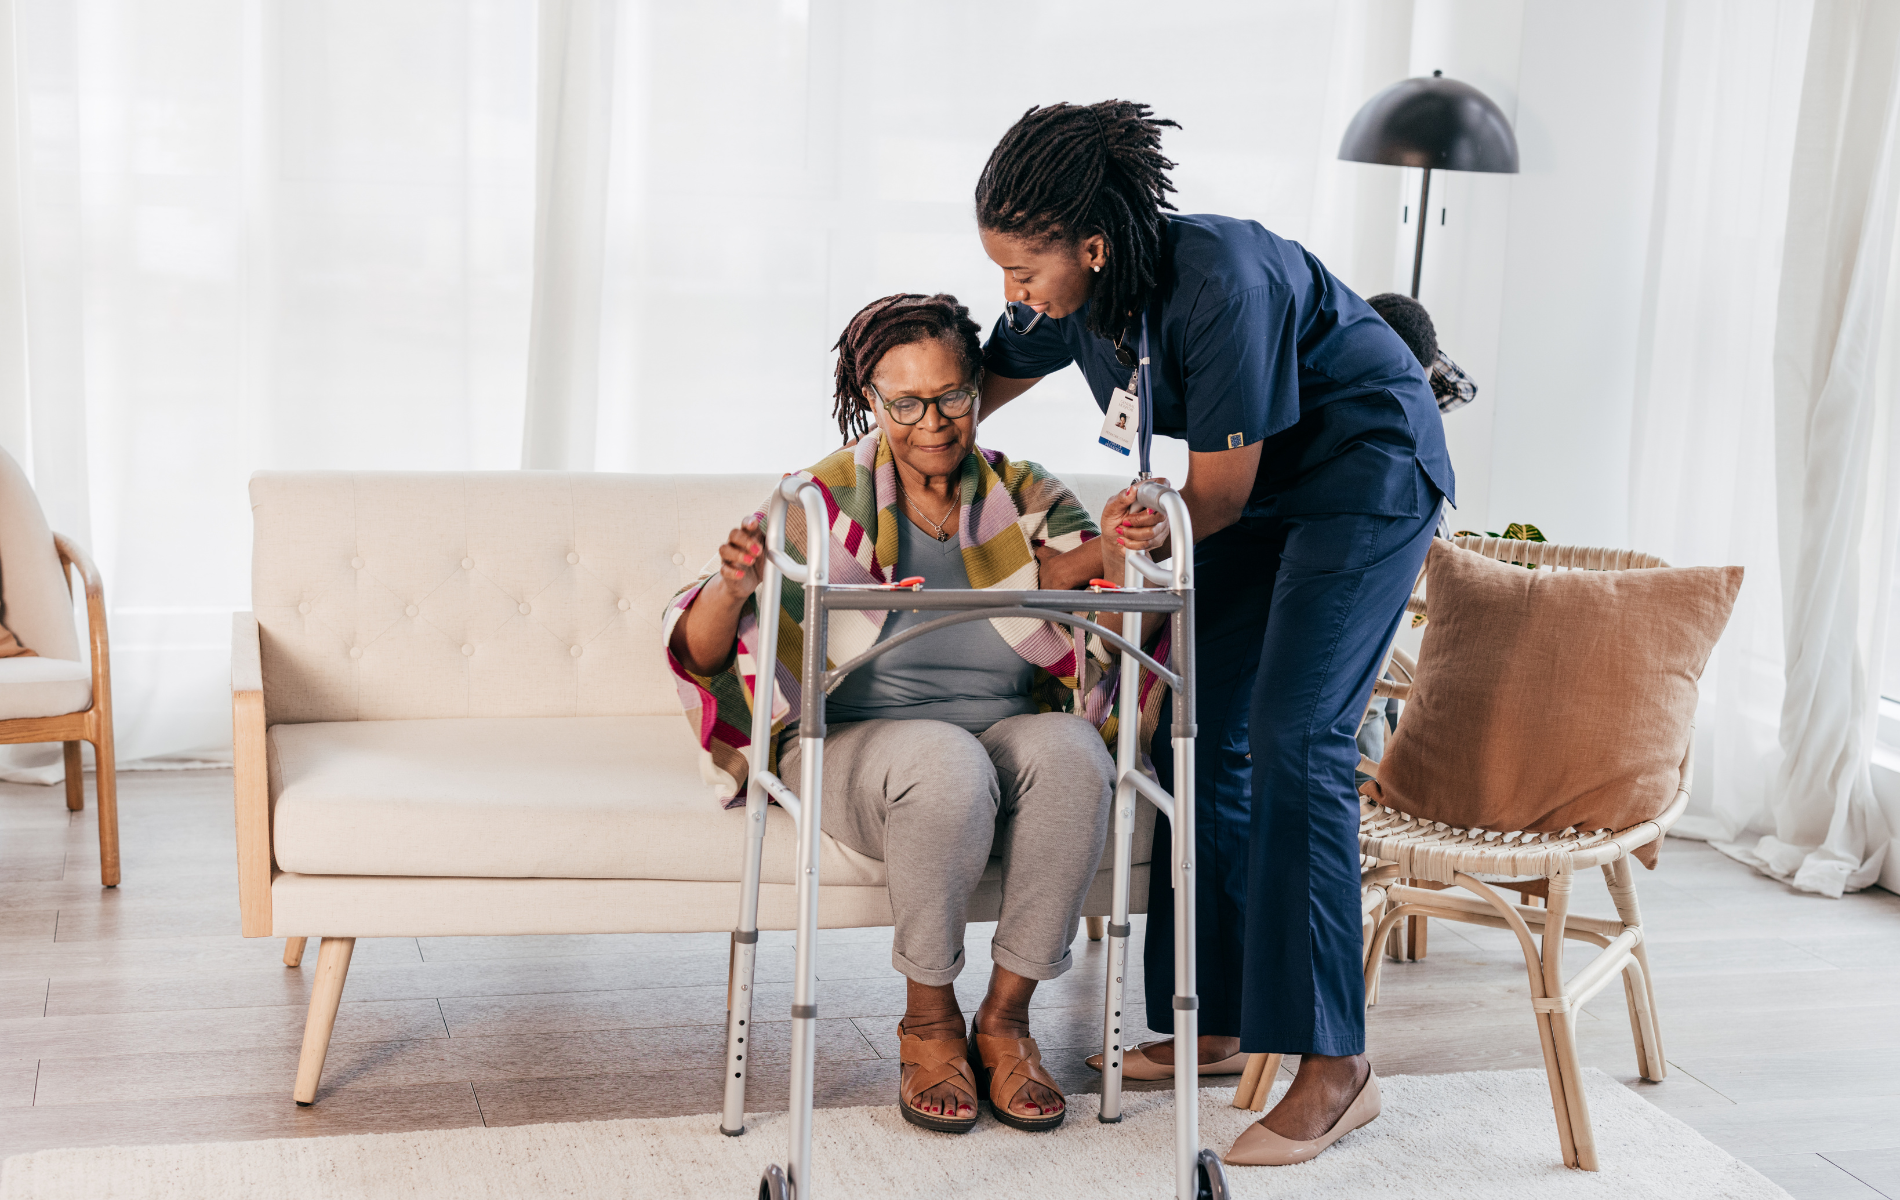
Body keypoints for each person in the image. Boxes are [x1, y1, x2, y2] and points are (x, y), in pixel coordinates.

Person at [972, 101, 1453, 1166]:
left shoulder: (1219, 280)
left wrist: (1121, 537)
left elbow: (1217, 496)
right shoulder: (1067, 287)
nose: (1014, 296)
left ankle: (1338, 1066)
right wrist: (886, 435)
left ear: (1091, 246)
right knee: (1185, 728)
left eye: (1023, 272)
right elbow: (973, 388)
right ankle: (1224, 1020)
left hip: (1361, 473)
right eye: (1000, 271)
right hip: (1255, 491)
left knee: (1296, 737)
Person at [663, 293, 1160, 1136]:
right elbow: (706, 654)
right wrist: (734, 586)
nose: (932, 421)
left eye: (952, 395)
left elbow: (1103, 647)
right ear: (871, 401)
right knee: (942, 759)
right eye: (905, 403)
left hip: (1006, 725)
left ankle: (1004, 1020)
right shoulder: (817, 504)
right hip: (855, 742)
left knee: (1076, 752)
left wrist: (1110, 559)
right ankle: (929, 1023)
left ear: (977, 388)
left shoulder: (1027, 491)